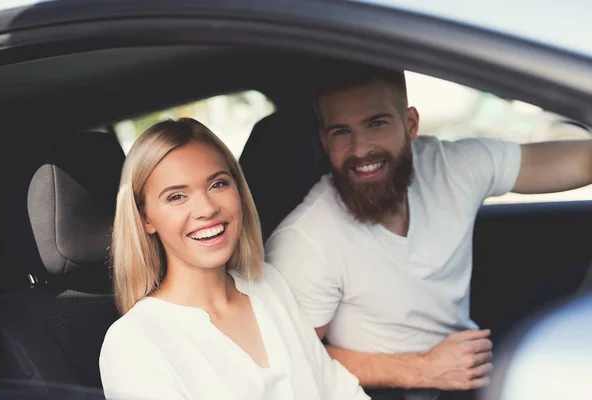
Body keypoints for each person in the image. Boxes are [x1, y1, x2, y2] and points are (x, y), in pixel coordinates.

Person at [265, 61, 592, 400]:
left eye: (376, 123)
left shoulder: (450, 167)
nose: (360, 149)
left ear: (410, 124)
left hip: (469, 375)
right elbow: (292, 358)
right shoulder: (307, 239)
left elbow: (564, 163)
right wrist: (421, 368)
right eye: (341, 132)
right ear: (324, 139)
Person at [99, 118, 369, 400]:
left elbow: (339, 391)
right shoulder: (134, 342)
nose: (206, 209)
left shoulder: (268, 285)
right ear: (145, 219)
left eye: (218, 184)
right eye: (177, 196)